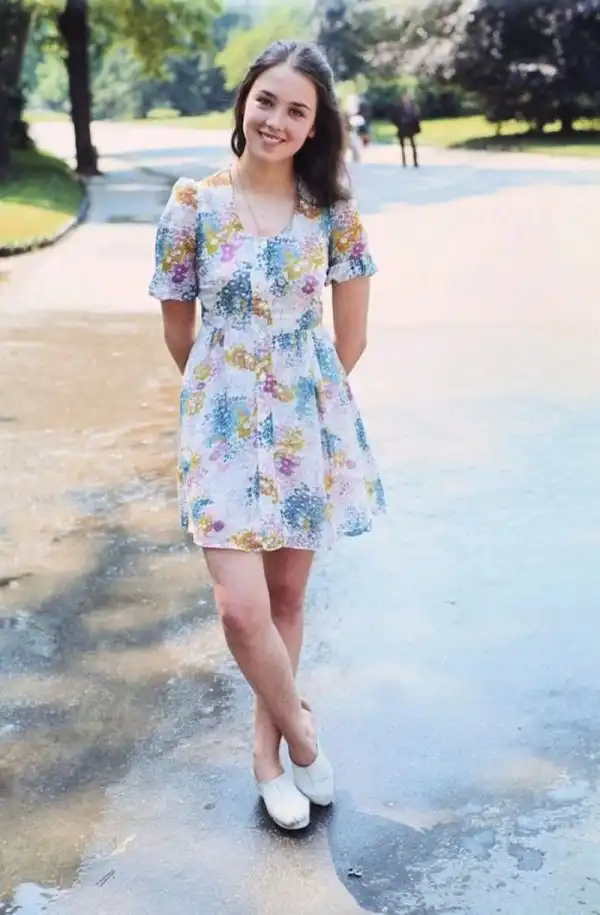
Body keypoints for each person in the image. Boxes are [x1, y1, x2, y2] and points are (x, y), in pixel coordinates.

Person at [149, 39, 385, 831]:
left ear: (316, 127)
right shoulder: (193, 204)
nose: (276, 120)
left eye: (297, 110)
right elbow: (179, 331)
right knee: (240, 611)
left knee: (285, 599)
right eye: (266, 101)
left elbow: (351, 336)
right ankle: (303, 736)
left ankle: (267, 755)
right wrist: (226, 389)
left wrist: (294, 397)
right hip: (219, 424)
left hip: (303, 424)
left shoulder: (333, 212)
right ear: (244, 101)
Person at [391, 92, 421, 168]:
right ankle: (404, 162)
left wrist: (416, 127)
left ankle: (415, 162)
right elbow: (395, 117)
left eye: (407, 98)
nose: (405, 99)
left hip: (410, 128)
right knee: (402, 147)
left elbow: (416, 117)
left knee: (413, 145)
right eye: (404, 98)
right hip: (402, 128)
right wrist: (399, 124)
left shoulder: (412, 107)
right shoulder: (398, 108)